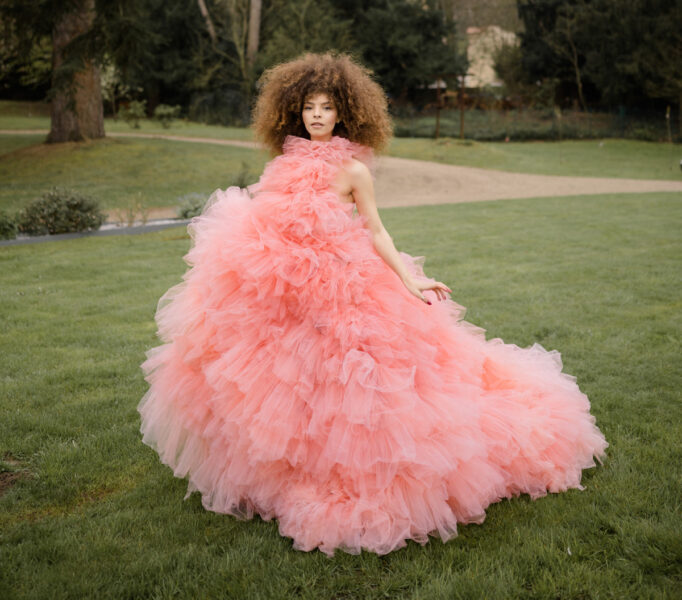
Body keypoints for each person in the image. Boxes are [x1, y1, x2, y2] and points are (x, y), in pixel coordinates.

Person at [138, 53, 607, 556]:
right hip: (285, 295)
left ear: (345, 114)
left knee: (355, 386)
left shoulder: (354, 170)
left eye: (327, 107)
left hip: (344, 289)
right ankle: (282, 471)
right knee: (280, 382)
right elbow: (271, 224)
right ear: (295, 113)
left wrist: (410, 279)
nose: (317, 116)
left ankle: (354, 474)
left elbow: (376, 230)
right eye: (309, 108)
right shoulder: (282, 164)